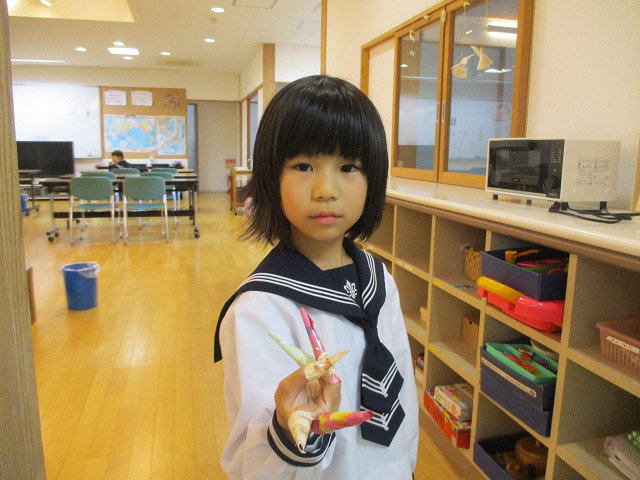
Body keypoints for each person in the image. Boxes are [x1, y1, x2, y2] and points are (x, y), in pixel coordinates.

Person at [213, 75, 419, 479]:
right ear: (272, 176)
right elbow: (254, 463)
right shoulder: (259, 309)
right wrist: (292, 431)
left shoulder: (379, 280)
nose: (326, 189)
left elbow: (404, 391)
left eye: (348, 167)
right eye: (303, 166)